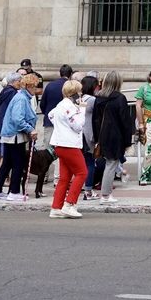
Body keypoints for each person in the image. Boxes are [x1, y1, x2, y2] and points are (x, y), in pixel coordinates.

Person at [0, 73, 39, 203]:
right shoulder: (21, 98)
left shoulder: (22, 97)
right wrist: (31, 130)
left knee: (7, 163)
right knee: (18, 163)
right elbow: (18, 118)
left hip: (11, 135)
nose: (36, 89)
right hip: (15, 136)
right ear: (29, 86)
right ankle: (14, 191)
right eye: (35, 87)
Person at [48, 79, 89, 218]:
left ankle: (56, 207)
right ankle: (69, 204)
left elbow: (51, 115)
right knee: (82, 173)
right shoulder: (70, 107)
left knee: (64, 178)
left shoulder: (61, 104)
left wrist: (60, 126)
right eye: (79, 91)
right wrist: (82, 109)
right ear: (75, 93)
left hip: (60, 143)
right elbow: (78, 126)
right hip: (69, 144)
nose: (81, 93)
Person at [92, 72, 134, 204]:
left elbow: (95, 120)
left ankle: (106, 193)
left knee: (109, 164)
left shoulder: (98, 98)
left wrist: (97, 137)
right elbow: (125, 121)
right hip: (116, 136)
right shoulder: (120, 98)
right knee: (111, 164)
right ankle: (105, 194)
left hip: (102, 135)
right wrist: (128, 141)